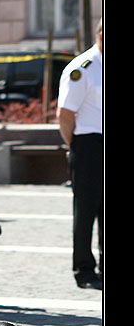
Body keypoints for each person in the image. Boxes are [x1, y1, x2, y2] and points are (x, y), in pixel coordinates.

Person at [57, 19, 103, 290]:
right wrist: (75, 146)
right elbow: (65, 115)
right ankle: (84, 270)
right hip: (88, 144)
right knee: (86, 210)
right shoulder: (82, 68)